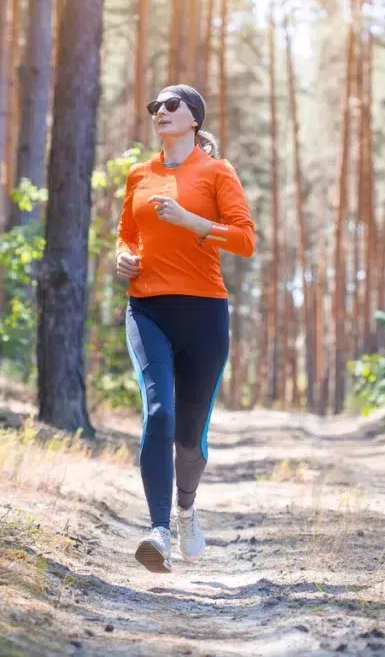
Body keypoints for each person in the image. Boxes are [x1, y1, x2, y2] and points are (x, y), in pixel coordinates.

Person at [115, 85, 256, 573]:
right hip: (147, 307)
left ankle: (186, 509)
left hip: (204, 313)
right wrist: (123, 259)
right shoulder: (139, 174)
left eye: (170, 104)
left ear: (193, 117)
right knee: (159, 411)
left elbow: (244, 240)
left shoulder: (218, 172)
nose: (160, 111)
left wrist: (192, 220)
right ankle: (157, 531)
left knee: (190, 439)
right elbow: (126, 235)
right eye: (154, 105)